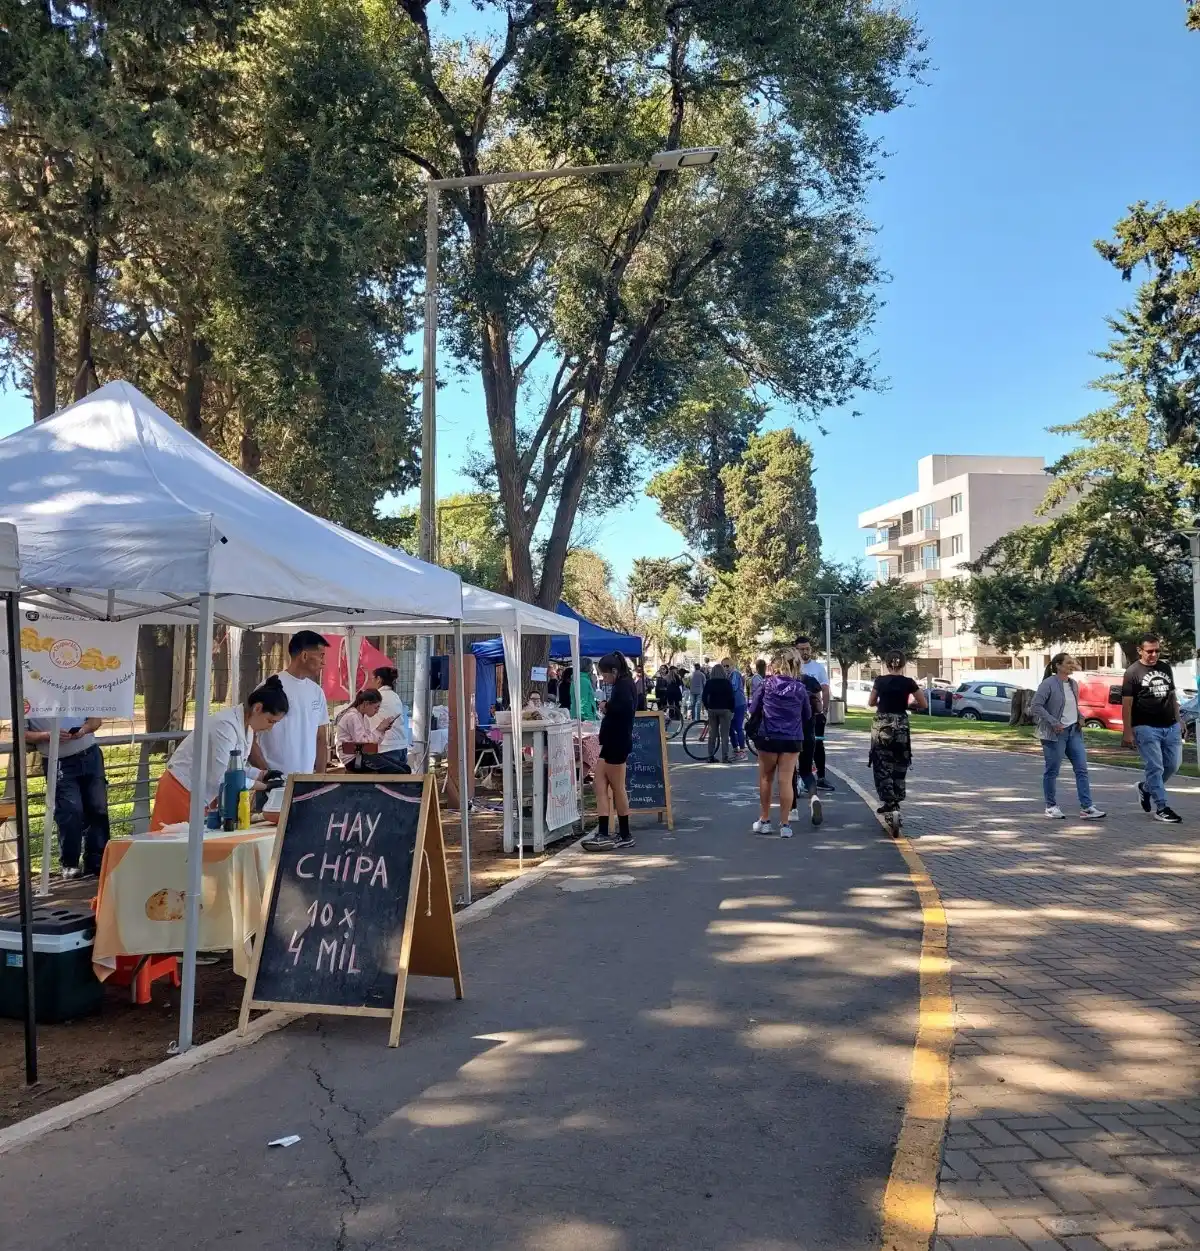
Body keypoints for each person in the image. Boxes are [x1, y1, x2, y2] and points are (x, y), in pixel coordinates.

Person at [151, 677, 288, 830]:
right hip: (181, 789)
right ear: (257, 708)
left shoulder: (247, 727)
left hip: (203, 794)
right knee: (172, 847)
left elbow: (236, 766)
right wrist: (263, 786)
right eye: (270, 721)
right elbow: (222, 776)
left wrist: (262, 774)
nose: (270, 728)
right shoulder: (225, 725)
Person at [25, 715, 110, 878]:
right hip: (57, 761)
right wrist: (47, 736)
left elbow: (96, 720)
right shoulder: (28, 697)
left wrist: (83, 730)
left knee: (98, 808)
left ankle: (98, 862)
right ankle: (70, 864)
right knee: (70, 810)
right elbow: (21, 733)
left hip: (90, 755)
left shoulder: (79, 690)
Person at [1030, 653, 1106, 821]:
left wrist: (1080, 716)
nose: (1072, 665)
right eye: (1068, 663)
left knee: (1082, 769)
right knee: (1052, 771)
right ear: (1058, 665)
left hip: (1074, 732)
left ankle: (1087, 808)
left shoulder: (1073, 684)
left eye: (1073, 662)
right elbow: (1035, 706)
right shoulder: (1048, 684)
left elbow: (1070, 706)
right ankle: (1051, 806)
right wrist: (1053, 722)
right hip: (1055, 734)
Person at [746, 650, 812, 838]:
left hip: (768, 737)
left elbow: (753, 708)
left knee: (766, 779)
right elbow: (807, 715)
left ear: (775, 665)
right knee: (786, 781)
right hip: (792, 738)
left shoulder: (766, 685)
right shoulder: (800, 688)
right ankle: (785, 825)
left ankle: (765, 820)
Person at [1122, 633, 1184, 823]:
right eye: (1150, 651)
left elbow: (1172, 696)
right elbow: (1127, 704)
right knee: (1155, 767)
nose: (1154, 654)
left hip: (1170, 725)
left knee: (1173, 765)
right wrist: (1127, 731)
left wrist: (1179, 719)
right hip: (1145, 727)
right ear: (1140, 651)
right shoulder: (1132, 672)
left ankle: (1145, 788)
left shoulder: (1165, 667)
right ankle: (1162, 807)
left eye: (1157, 650)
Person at [252, 630, 332, 777]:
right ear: (304, 656)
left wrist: (320, 777)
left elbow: (321, 737)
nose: (323, 662)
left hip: (306, 782)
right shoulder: (271, 687)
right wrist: (266, 773)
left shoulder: (317, 692)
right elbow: (249, 734)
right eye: (321, 656)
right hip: (275, 782)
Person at [868, 649, 928, 834]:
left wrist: (882, 703)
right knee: (900, 763)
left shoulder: (880, 681)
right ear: (903, 664)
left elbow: (871, 702)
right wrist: (907, 705)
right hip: (901, 724)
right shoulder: (909, 683)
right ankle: (896, 801)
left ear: (886, 664)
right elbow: (923, 704)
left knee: (882, 764)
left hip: (882, 725)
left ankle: (889, 802)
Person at [583, 652, 637, 851]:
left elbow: (622, 711)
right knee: (600, 784)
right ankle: (605, 831)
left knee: (617, 787)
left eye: (605, 675)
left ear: (614, 671)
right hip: (613, 742)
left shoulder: (623, 687)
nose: (604, 679)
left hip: (617, 742)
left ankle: (623, 833)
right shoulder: (624, 684)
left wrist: (607, 706)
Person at [795, 636, 834, 792]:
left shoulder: (818, 668)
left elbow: (825, 689)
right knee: (796, 746)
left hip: (814, 714)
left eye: (808, 648)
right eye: (802, 649)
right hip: (795, 715)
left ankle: (821, 777)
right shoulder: (793, 667)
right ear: (796, 650)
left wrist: (824, 710)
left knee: (818, 744)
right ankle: (797, 780)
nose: (806, 651)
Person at [364, 665, 411, 772]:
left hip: (386, 747)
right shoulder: (394, 696)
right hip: (401, 745)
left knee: (387, 785)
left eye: (372, 679)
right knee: (398, 784)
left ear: (379, 679)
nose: (371, 682)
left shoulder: (377, 697)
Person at [335, 688, 384, 768]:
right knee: (397, 770)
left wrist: (382, 730)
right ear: (366, 704)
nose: (377, 711)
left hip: (360, 757)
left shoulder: (363, 717)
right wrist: (379, 730)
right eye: (376, 707)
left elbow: (371, 743)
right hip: (353, 760)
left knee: (402, 767)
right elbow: (364, 744)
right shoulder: (352, 716)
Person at [702, 662, 736, 763]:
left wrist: (708, 707)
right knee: (725, 735)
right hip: (725, 710)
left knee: (712, 734)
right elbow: (732, 698)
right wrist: (732, 709)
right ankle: (725, 757)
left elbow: (704, 697)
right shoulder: (727, 683)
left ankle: (710, 756)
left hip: (712, 709)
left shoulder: (709, 682)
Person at [727, 656, 748, 761]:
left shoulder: (735, 674)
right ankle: (736, 749)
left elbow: (733, 687)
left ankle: (743, 751)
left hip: (738, 703)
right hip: (732, 704)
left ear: (732, 665)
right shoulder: (729, 675)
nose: (726, 668)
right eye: (724, 666)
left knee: (738, 727)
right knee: (730, 727)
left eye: (727, 665)